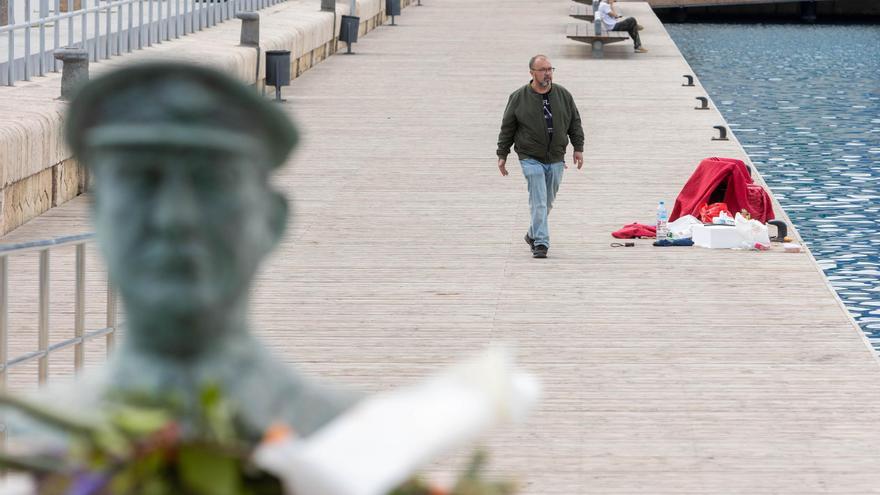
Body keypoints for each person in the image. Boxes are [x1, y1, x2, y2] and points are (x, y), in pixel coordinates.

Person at [63, 62, 354, 442]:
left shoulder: (353, 438)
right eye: (141, 180)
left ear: (273, 220)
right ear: (96, 214)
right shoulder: (30, 437)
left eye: (212, 182)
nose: (174, 218)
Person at [496, 55, 585, 259]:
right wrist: (502, 153)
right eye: (543, 69)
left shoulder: (563, 95)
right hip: (530, 156)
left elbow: (575, 122)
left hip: (555, 157)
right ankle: (541, 243)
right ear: (532, 73)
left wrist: (578, 147)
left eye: (550, 69)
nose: (548, 73)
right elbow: (507, 127)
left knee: (548, 200)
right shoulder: (518, 97)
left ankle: (532, 233)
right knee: (539, 200)